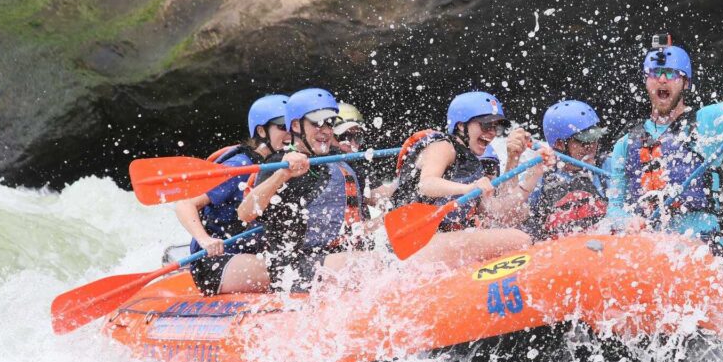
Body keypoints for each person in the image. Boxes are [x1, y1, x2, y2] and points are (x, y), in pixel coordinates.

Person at [606, 36, 723, 262]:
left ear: (685, 83)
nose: (663, 80)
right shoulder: (625, 144)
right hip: (654, 252)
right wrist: (627, 222)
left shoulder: (706, 122)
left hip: (703, 246)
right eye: (656, 73)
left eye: (672, 74)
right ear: (646, 81)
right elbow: (614, 209)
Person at [390, 91, 554, 265]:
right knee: (518, 240)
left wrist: (534, 171)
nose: (492, 133)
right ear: (461, 126)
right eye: (485, 126)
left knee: (518, 226)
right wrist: (468, 188)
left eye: (495, 127)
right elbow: (426, 183)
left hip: (436, 243)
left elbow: (499, 215)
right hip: (413, 244)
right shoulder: (443, 146)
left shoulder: (472, 165)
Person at [237, 88, 371, 293]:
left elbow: (375, 196)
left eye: (329, 123)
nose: (325, 130)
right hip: (295, 266)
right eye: (317, 123)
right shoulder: (277, 163)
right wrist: (282, 174)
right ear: (296, 126)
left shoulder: (339, 159)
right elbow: (245, 214)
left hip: (339, 256)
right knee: (365, 265)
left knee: (381, 260)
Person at [174, 94, 288, 296]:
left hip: (253, 254)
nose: (290, 134)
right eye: (282, 127)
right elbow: (185, 204)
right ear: (261, 131)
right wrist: (205, 240)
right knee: (288, 271)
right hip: (217, 261)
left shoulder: (286, 165)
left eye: (293, 126)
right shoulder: (240, 166)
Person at [519, 100, 609, 241]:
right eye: (584, 141)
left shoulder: (607, 167)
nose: (592, 146)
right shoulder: (539, 174)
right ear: (560, 144)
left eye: (595, 138)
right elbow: (513, 214)